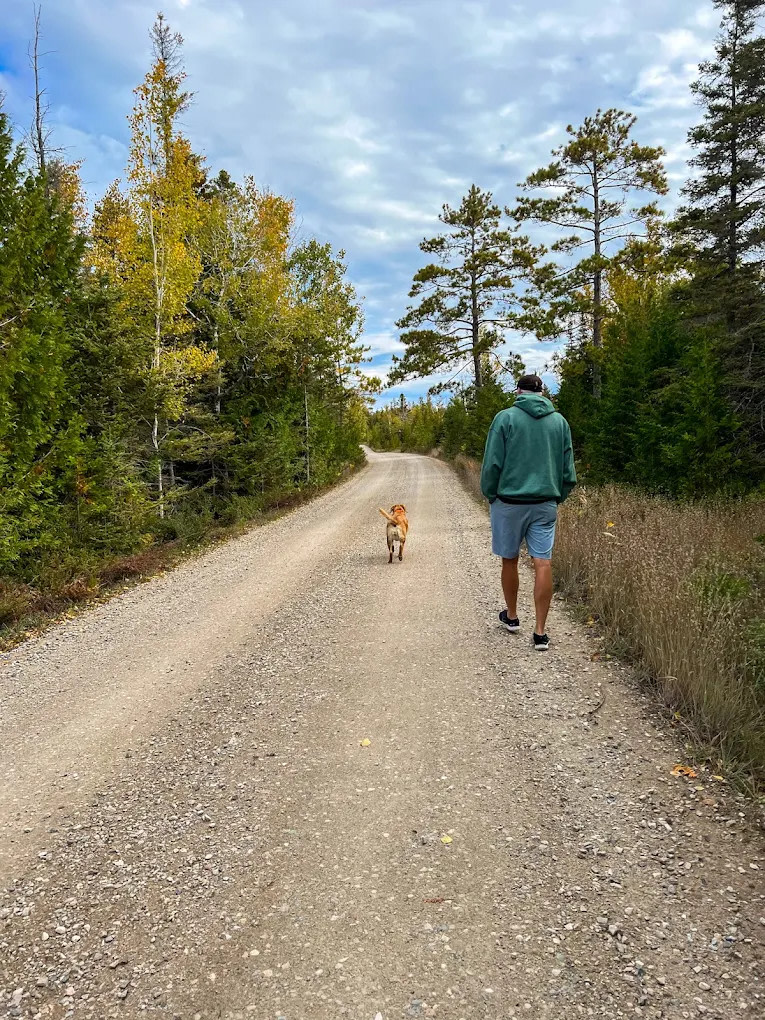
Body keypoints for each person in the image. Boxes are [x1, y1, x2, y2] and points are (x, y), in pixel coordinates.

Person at [480, 374, 576, 651]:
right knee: (542, 562)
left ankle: (511, 617)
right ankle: (540, 633)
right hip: (545, 501)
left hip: (508, 503)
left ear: (518, 391)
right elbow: (568, 471)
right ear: (542, 392)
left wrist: (491, 494)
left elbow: (492, 463)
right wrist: (558, 495)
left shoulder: (505, 418)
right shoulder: (560, 422)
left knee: (509, 560)